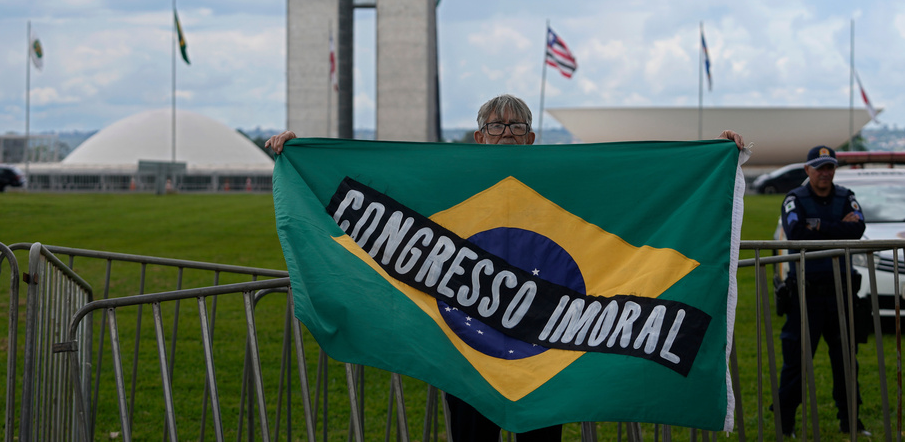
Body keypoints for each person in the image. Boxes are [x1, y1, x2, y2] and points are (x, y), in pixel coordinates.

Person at [267, 94, 745, 441]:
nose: (507, 133)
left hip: (547, 348)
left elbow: (636, 187)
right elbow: (375, 181)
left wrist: (716, 155)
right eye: (497, 125)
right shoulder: (450, 178)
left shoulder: (562, 180)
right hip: (466, 349)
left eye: (517, 126)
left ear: (532, 136)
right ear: (479, 135)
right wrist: (298, 152)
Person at [775, 145, 869, 437]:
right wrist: (836, 227)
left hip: (841, 293)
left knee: (846, 362)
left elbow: (857, 229)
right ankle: (786, 423)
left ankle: (851, 422)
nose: (825, 173)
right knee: (796, 362)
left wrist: (818, 227)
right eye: (819, 168)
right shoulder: (795, 199)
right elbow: (797, 233)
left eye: (830, 167)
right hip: (806, 295)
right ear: (807, 171)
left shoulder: (846, 196)